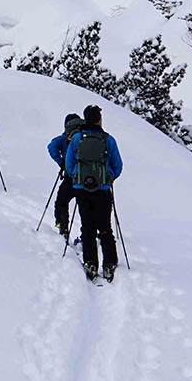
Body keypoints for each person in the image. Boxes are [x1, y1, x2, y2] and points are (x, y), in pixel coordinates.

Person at [65, 104, 124, 282]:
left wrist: (77, 178)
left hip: (82, 190)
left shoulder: (76, 139)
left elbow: (69, 164)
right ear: (99, 119)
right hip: (103, 190)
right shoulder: (108, 140)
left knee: (87, 227)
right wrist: (108, 178)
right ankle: (109, 263)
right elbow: (118, 166)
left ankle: (90, 263)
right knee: (105, 227)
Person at [46, 112, 85, 239]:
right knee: (86, 207)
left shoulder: (64, 137)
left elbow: (51, 147)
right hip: (87, 177)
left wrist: (61, 162)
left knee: (61, 202)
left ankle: (62, 227)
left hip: (70, 177)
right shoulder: (85, 135)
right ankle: (88, 234)